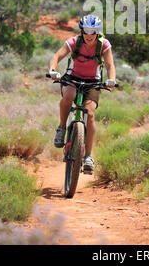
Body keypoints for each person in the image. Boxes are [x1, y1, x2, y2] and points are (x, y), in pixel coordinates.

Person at [48, 14, 116, 173]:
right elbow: (57, 56)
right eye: (86, 31)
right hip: (73, 77)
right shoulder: (73, 42)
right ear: (82, 31)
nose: (89, 35)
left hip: (93, 81)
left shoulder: (103, 45)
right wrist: (52, 70)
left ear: (98, 32)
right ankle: (62, 128)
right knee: (68, 95)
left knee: (90, 114)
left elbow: (109, 65)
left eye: (93, 32)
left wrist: (111, 79)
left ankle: (88, 157)